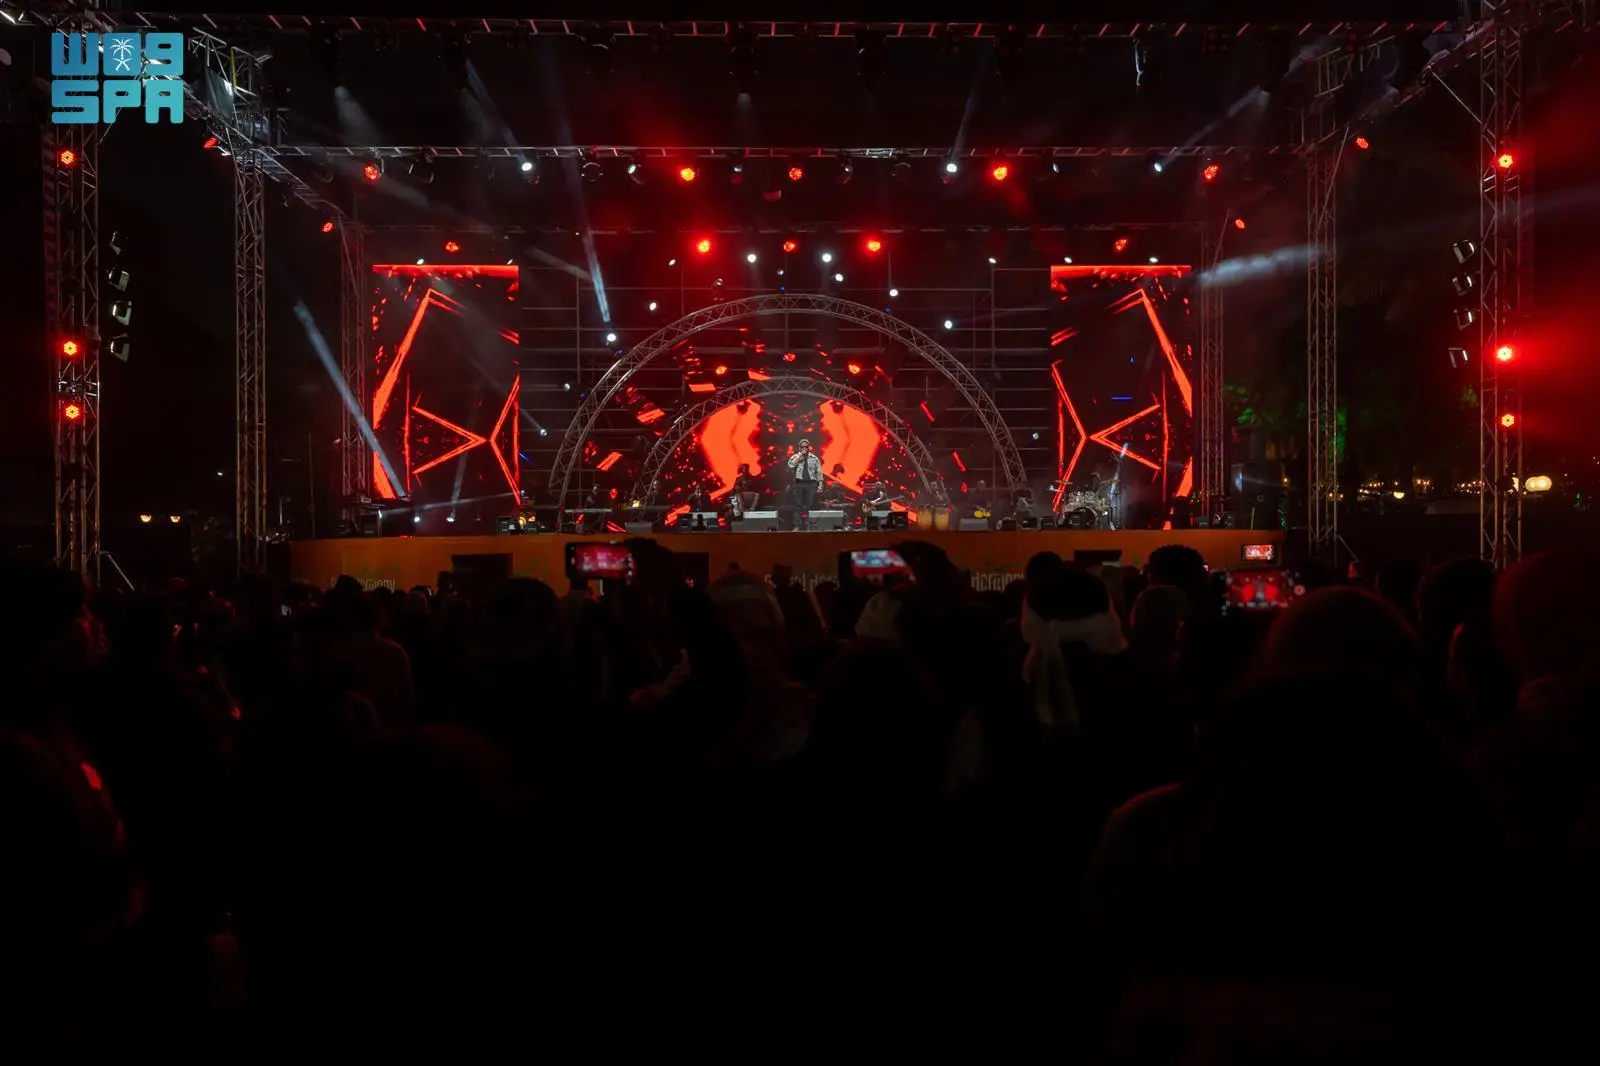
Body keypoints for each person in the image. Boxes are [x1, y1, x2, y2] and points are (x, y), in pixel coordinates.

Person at [786, 439, 822, 529]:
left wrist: (820, 484)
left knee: (809, 505)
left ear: (808, 447)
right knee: (798, 505)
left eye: (806, 447)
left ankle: (809, 525)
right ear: (799, 448)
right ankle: (798, 525)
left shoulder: (814, 458)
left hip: (811, 484)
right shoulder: (795, 457)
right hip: (799, 483)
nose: (804, 448)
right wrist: (800, 456)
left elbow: (819, 472)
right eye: (802, 447)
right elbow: (791, 466)